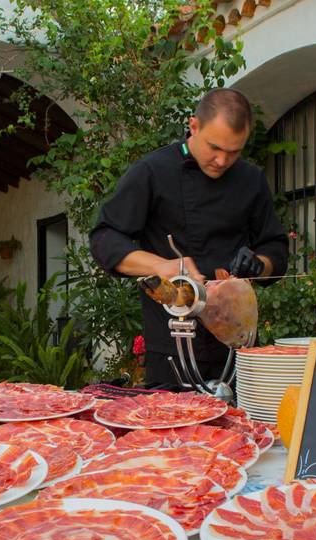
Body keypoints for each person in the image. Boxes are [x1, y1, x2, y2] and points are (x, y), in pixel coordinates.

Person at [89, 88, 289, 386]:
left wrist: (259, 264)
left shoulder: (251, 180)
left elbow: (276, 249)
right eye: (214, 147)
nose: (222, 161)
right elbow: (104, 238)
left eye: (234, 151)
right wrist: (160, 265)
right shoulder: (152, 172)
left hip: (236, 346)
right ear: (193, 126)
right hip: (171, 346)